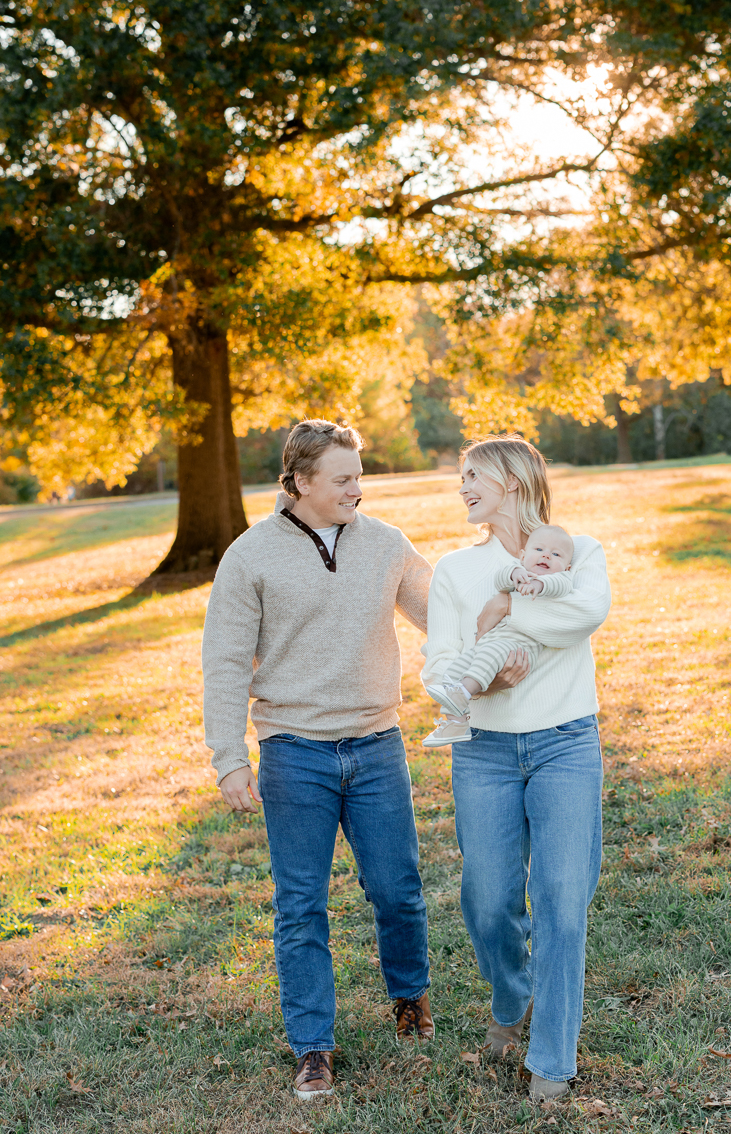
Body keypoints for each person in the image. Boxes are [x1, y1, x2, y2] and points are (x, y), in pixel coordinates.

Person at [201, 419, 436, 1101]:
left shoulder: (387, 544)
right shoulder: (250, 556)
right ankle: (313, 1046)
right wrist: (228, 757)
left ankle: (410, 997)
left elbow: (443, 609)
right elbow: (223, 663)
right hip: (291, 752)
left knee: (397, 888)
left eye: (359, 476)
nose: (357, 489)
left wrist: (516, 588)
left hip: (375, 744)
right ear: (300, 482)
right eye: (344, 479)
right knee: (300, 905)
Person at [422, 436, 611, 1101]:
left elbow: (586, 612)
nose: (463, 487)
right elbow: (439, 664)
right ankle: (512, 1000)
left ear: (515, 481)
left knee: (562, 898)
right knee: (489, 899)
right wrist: (486, 677)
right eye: (461, 477)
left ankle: (552, 1059)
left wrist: (507, 611)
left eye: (474, 476)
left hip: (565, 744)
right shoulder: (453, 569)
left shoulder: (577, 552)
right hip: (485, 752)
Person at [422, 524, 575, 747]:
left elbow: (560, 586)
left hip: (519, 648)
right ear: (523, 556)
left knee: (487, 656)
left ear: (567, 566)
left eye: (556, 554)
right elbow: (501, 579)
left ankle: (463, 692)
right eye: (539, 550)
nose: (546, 556)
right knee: (458, 668)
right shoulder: (518, 571)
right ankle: (455, 721)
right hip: (492, 643)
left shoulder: (558, 580)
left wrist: (540, 583)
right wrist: (515, 572)